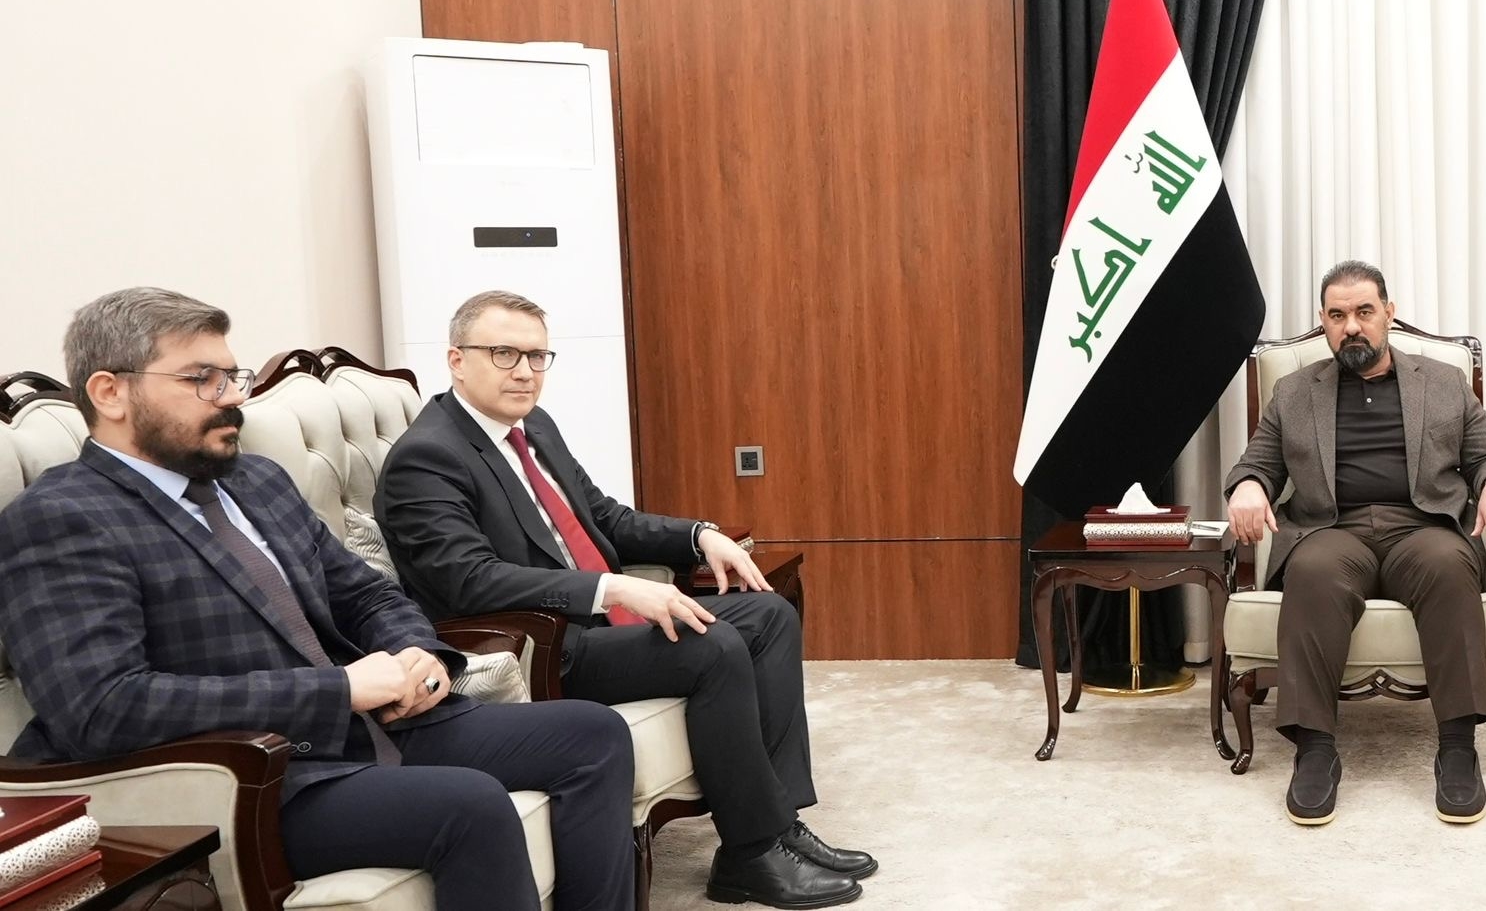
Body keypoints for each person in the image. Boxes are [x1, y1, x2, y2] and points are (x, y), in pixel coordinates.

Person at [0, 288, 636, 911]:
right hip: (256, 777)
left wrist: (417, 653)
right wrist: (339, 691)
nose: (233, 398)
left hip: (372, 724)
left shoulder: (257, 480)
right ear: (109, 393)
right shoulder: (62, 517)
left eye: (232, 377)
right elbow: (102, 707)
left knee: (594, 734)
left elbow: (365, 592)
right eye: (202, 380)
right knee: (469, 805)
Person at [375, 290, 875, 909]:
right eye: (504, 353)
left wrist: (699, 535)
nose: (525, 371)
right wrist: (612, 587)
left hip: (598, 623)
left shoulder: (534, 426)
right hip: (543, 645)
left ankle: (777, 826)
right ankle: (750, 855)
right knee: (712, 644)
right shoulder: (426, 458)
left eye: (536, 356)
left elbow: (603, 517)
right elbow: (468, 581)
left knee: (768, 615)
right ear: (456, 359)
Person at [1224, 261, 1486, 827]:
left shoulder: (1443, 382)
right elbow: (1256, 463)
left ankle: (1458, 748)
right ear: (1323, 321)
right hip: (1333, 531)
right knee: (1312, 572)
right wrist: (1247, 486)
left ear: (1389, 312)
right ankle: (1315, 750)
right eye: (1338, 316)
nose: (1352, 326)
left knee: (1448, 565)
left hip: (1422, 527)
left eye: (1364, 311)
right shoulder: (1294, 392)